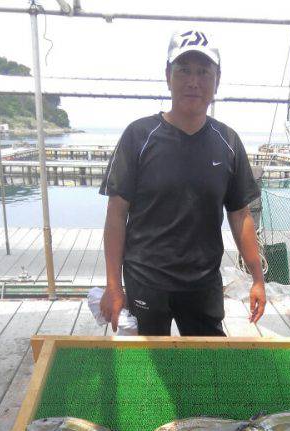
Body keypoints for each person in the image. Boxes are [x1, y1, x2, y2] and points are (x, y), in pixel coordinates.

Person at [99, 30, 266, 336]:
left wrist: (257, 277)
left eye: (204, 72)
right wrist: (113, 285)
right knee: (147, 374)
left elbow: (241, 215)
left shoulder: (228, 141)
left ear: (217, 79)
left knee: (206, 374)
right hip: (145, 282)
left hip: (202, 284)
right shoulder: (138, 136)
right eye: (184, 70)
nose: (194, 81)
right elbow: (116, 214)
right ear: (167, 76)